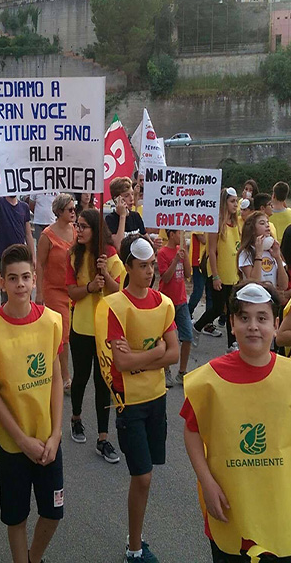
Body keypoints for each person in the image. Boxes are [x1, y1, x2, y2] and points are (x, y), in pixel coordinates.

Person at [181, 282, 291, 563]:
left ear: (275, 325)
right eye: (244, 318)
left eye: (262, 318)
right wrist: (207, 484)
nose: (253, 326)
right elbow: (191, 431)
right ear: (232, 324)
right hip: (230, 513)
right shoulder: (209, 379)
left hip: (279, 516)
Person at [0, 245, 64, 563]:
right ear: (4, 281)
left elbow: (55, 380)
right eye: (12, 278)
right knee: (16, 517)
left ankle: (33, 557)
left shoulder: (52, 321)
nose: (20, 285)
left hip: (47, 440)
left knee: (53, 512)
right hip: (13, 444)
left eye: (26, 277)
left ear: (35, 279)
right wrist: (22, 440)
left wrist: (55, 435)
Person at [97, 236, 180, 563]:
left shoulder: (164, 304)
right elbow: (122, 363)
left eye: (151, 265)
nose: (150, 271)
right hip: (128, 402)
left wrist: (148, 356)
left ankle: (137, 536)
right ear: (128, 267)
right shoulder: (115, 306)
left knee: (146, 475)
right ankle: (134, 546)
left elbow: (173, 353)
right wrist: (157, 351)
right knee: (142, 475)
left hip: (156, 399)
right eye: (142, 266)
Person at [65, 208, 124, 463]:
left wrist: (106, 276)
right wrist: (90, 286)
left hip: (104, 330)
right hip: (80, 327)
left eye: (83, 226)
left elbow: (119, 292)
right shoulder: (73, 255)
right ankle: (76, 418)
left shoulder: (110, 255)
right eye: (77, 225)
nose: (78, 230)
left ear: (96, 229)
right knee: (80, 377)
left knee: (104, 382)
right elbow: (71, 292)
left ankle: (103, 438)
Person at [36, 193, 76, 394]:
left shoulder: (75, 231)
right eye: (69, 209)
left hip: (73, 290)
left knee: (71, 333)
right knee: (63, 335)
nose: (73, 212)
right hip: (54, 290)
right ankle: (65, 376)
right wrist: (39, 293)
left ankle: (59, 371)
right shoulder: (47, 235)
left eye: (74, 208)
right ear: (59, 212)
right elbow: (40, 264)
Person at [195, 188, 241, 342]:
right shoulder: (215, 224)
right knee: (218, 308)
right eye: (232, 201)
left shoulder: (236, 224)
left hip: (232, 274)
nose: (236, 204)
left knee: (231, 311)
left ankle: (232, 343)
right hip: (219, 273)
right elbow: (211, 252)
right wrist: (215, 276)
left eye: (236, 201)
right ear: (224, 203)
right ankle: (197, 327)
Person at [158, 229, 193, 387]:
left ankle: (182, 371)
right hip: (167, 302)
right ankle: (166, 370)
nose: (182, 237)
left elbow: (187, 274)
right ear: (171, 235)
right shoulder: (162, 253)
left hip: (181, 301)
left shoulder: (182, 251)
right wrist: (175, 261)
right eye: (180, 234)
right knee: (166, 338)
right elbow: (165, 277)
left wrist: (185, 258)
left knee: (187, 337)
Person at [237, 212, 287, 292]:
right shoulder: (246, 253)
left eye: (267, 222)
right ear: (252, 230)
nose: (267, 225)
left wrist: (278, 258)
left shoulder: (272, 250)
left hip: (271, 299)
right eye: (262, 223)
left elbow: (284, 285)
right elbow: (253, 282)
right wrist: (259, 255)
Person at [106, 177, 146, 250]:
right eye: (126, 196)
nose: (131, 198)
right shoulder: (110, 219)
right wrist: (122, 216)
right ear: (116, 199)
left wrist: (154, 245)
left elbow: (146, 239)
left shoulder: (136, 216)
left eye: (132, 194)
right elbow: (118, 246)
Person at [0, 195, 35, 261]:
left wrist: (33, 257)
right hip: (4, 255)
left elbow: (28, 234)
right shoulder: (0, 202)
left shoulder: (24, 206)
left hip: (20, 254)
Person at [188, 232, 207, 318]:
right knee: (198, 291)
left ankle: (208, 321)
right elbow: (203, 240)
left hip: (207, 261)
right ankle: (188, 312)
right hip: (198, 262)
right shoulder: (199, 222)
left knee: (209, 293)